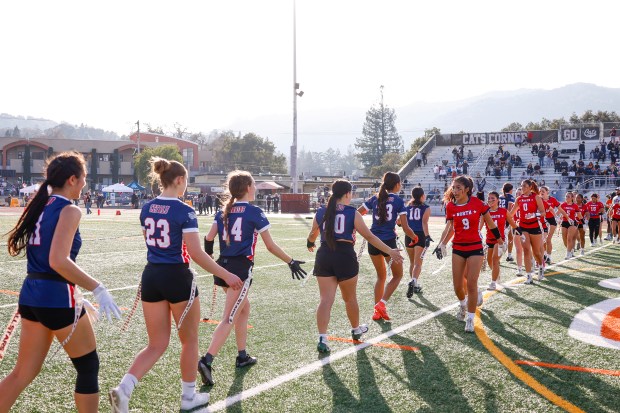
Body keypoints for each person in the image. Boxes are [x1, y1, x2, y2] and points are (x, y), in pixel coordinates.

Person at [109, 158, 243, 412]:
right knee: (190, 340)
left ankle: (124, 389)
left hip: (151, 276)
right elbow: (196, 253)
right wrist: (226, 274)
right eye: (186, 180)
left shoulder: (147, 208)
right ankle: (188, 397)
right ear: (179, 180)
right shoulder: (184, 210)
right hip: (177, 277)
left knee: (156, 344)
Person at [1, 152, 121, 413]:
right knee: (88, 367)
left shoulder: (40, 204)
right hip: (56, 296)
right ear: (72, 179)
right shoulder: (69, 208)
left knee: (22, 373)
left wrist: (77, 293)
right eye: (84, 179)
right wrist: (97, 287)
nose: (85, 185)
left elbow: (48, 260)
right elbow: (57, 260)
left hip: (32, 295)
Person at [198, 171, 306, 386]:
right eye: (254, 184)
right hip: (239, 270)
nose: (255, 188)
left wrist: (211, 258)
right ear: (247, 187)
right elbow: (270, 246)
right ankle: (206, 360)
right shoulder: (254, 211)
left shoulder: (223, 212)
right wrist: (290, 261)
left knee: (243, 310)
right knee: (229, 316)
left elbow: (208, 238)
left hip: (222, 267)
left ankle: (242, 356)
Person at [306, 180, 403, 352]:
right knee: (349, 298)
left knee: (325, 300)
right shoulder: (352, 212)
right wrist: (391, 251)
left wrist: (309, 243)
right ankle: (356, 329)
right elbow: (370, 237)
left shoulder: (321, 211)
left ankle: (322, 338)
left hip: (324, 254)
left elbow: (313, 233)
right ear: (347, 194)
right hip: (344, 255)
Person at [434, 176, 503, 332]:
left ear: (466, 189)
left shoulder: (478, 203)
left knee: (471, 283)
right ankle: (462, 305)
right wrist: (443, 243)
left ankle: (470, 319)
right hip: (458, 247)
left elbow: (491, 224)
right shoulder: (451, 206)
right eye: (454, 187)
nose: (455, 191)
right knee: (458, 286)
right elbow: (451, 227)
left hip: (475, 248)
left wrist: (500, 241)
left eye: (459, 188)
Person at [357, 172, 416, 321]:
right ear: (396, 185)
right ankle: (381, 304)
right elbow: (406, 228)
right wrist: (415, 237)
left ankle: (377, 311)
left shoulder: (375, 198)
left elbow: (357, 214)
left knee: (380, 276)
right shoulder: (398, 201)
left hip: (373, 241)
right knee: (397, 275)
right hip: (388, 242)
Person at [509, 180, 546, 284]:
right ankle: (529, 275)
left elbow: (543, 213)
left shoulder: (536, 197)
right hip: (523, 227)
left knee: (536, 252)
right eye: (521, 186)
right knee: (526, 250)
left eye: (524, 186)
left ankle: (541, 266)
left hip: (534, 227)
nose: (522, 188)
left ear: (530, 187)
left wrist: (534, 215)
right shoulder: (519, 199)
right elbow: (511, 214)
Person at [482, 191, 517, 290]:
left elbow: (512, 223)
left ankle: (493, 283)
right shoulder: (485, 212)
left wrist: (520, 232)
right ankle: (497, 274)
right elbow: (479, 226)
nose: (490, 200)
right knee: (490, 261)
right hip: (489, 240)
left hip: (501, 240)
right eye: (489, 198)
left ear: (498, 200)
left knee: (494, 259)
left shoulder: (503, 211)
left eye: (493, 198)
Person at [404, 187, 430, 297]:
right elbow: (424, 223)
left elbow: (399, 222)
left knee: (412, 262)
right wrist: (427, 236)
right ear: (422, 195)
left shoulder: (407, 207)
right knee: (418, 263)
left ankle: (414, 284)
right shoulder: (426, 208)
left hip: (409, 234)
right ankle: (413, 281)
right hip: (420, 235)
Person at [539, 186, 567, 264]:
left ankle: (549, 257)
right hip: (543, 220)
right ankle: (544, 254)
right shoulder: (539, 200)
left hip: (551, 220)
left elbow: (560, 209)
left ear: (547, 192)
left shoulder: (552, 199)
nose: (541, 192)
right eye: (540, 190)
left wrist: (557, 217)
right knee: (543, 240)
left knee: (548, 239)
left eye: (543, 191)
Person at [560, 192, 581, 259]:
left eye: (568, 196)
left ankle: (568, 253)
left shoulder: (575, 205)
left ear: (572, 198)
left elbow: (579, 215)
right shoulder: (563, 205)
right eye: (566, 196)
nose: (566, 198)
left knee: (569, 238)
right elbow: (558, 212)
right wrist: (555, 218)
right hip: (564, 222)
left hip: (572, 223)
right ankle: (571, 249)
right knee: (564, 239)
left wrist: (583, 223)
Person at [499, 183, 516, 263]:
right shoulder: (510, 197)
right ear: (510, 189)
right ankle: (502, 255)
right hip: (505, 219)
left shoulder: (500, 197)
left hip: (498, 218)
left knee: (507, 237)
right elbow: (509, 210)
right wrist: (509, 219)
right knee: (507, 238)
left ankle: (508, 255)